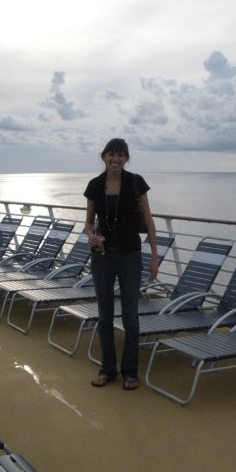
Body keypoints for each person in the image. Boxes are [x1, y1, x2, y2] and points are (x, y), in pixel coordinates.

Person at [84, 138, 158, 390]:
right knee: (104, 315)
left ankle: (130, 372)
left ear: (126, 158)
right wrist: (90, 235)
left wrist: (154, 258)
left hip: (130, 255)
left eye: (120, 155)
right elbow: (89, 222)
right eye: (111, 154)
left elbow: (149, 222)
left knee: (131, 317)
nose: (115, 159)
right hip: (102, 256)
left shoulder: (136, 183)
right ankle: (107, 369)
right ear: (103, 156)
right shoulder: (95, 186)